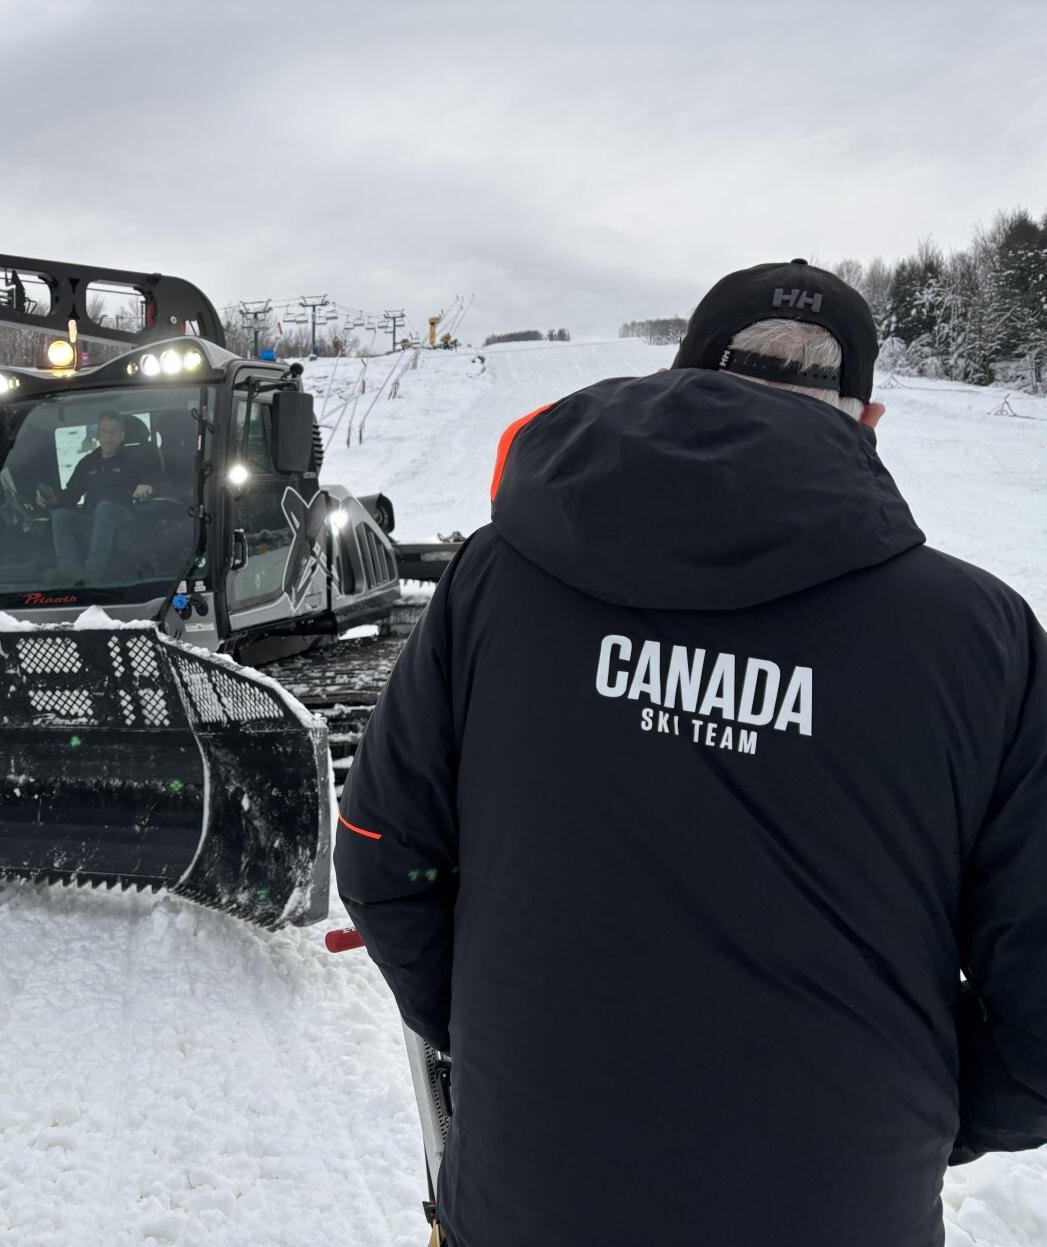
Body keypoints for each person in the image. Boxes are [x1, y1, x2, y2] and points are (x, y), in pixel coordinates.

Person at [337, 259, 1047, 1247]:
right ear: (866, 420)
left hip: (530, 1201)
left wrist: (493, 1034)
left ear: (682, 378)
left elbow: (379, 858)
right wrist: (892, 1102)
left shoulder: (498, 575)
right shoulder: (984, 637)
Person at [35, 411, 160, 581]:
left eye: (114, 431)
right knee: (61, 516)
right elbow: (71, 495)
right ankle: (70, 574)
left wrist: (145, 488)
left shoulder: (136, 458)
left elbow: (154, 482)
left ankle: (93, 575)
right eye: (104, 431)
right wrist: (52, 499)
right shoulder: (87, 462)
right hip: (93, 516)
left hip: (125, 513)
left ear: (122, 435)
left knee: (104, 508)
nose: (108, 436)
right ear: (98, 434)